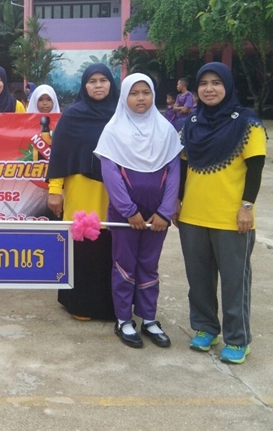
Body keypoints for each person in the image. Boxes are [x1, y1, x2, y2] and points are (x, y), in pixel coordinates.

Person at [176, 62, 266, 364]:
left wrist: (247, 207)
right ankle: (205, 328)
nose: (209, 89)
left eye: (216, 83)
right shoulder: (191, 123)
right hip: (193, 215)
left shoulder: (248, 122)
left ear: (228, 86)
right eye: (203, 83)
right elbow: (183, 166)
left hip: (231, 217)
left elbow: (255, 168)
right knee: (198, 278)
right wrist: (177, 201)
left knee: (234, 281)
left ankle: (238, 339)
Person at [94, 73, 183, 348]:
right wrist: (129, 211)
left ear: (153, 95)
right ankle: (124, 319)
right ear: (124, 97)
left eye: (146, 92)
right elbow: (111, 175)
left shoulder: (166, 130)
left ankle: (149, 319)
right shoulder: (112, 131)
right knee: (124, 264)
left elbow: (174, 172)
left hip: (157, 217)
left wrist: (165, 212)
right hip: (125, 216)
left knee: (149, 265)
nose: (141, 98)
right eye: (134, 93)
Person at [46, 64, 118, 321]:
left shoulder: (122, 113)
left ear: (111, 84)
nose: (98, 85)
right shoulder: (73, 115)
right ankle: (80, 304)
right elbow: (59, 154)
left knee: (112, 246)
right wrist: (55, 190)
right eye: (92, 81)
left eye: (103, 80)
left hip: (115, 191)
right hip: (81, 189)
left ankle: (112, 306)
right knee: (84, 248)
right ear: (84, 85)